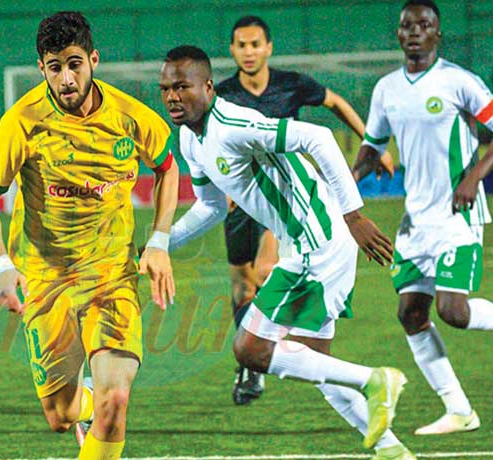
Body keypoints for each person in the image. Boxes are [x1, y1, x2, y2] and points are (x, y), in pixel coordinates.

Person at [160, 45, 415, 460]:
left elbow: (319, 137)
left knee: (250, 348)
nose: (172, 96)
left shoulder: (233, 125)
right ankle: (392, 450)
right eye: (166, 89)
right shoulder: (190, 138)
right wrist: (158, 245)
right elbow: (210, 208)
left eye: (182, 87)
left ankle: (375, 379)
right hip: (309, 241)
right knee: (313, 362)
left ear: (207, 86)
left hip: (318, 239)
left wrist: (354, 215)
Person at [0, 12, 178, 460]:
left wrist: (159, 240)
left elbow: (167, 167)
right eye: (55, 67)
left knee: (115, 401)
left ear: (93, 60)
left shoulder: (130, 117)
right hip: (46, 279)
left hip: (111, 275)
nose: (66, 79)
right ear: (41, 68)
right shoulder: (22, 122)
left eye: (74, 64)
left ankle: (98, 410)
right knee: (61, 415)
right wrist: (1, 266)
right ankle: (78, 407)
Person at [216, 15, 395, 406]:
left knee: (266, 269)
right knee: (242, 285)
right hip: (243, 202)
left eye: (255, 44)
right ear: (232, 50)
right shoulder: (223, 97)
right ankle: (251, 362)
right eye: (241, 45)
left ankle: (263, 346)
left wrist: (372, 143)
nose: (248, 52)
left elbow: (336, 103)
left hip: (286, 200)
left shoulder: (291, 84)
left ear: (268, 48)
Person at [354, 0, 493, 435]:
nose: (415, 31)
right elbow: (372, 146)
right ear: (398, 34)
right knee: (411, 313)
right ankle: (459, 410)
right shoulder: (386, 89)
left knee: (453, 310)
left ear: (437, 34)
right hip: (414, 221)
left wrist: (473, 178)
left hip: (457, 215)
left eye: (424, 24)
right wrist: (346, 181)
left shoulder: (460, 82)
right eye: (407, 25)